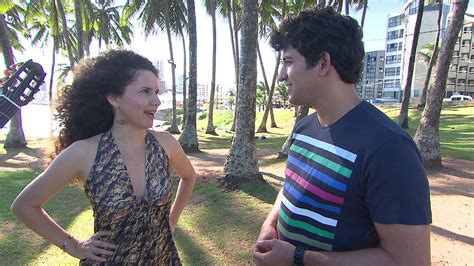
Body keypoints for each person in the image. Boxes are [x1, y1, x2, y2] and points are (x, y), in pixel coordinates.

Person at [253, 6, 431, 266]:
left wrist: (298, 258)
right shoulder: (303, 129)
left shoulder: (389, 148)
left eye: (288, 62)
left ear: (323, 63)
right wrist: (271, 223)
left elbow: (409, 261)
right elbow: (292, 189)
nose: (281, 75)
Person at [11, 50, 196, 265]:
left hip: (163, 258)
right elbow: (24, 205)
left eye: (156, 92)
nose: (156, 101)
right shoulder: (83, 152)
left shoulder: (166, 143)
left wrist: (171, 221)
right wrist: (72, 245)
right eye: (145, 91)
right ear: (114, 98)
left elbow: (189, 176)